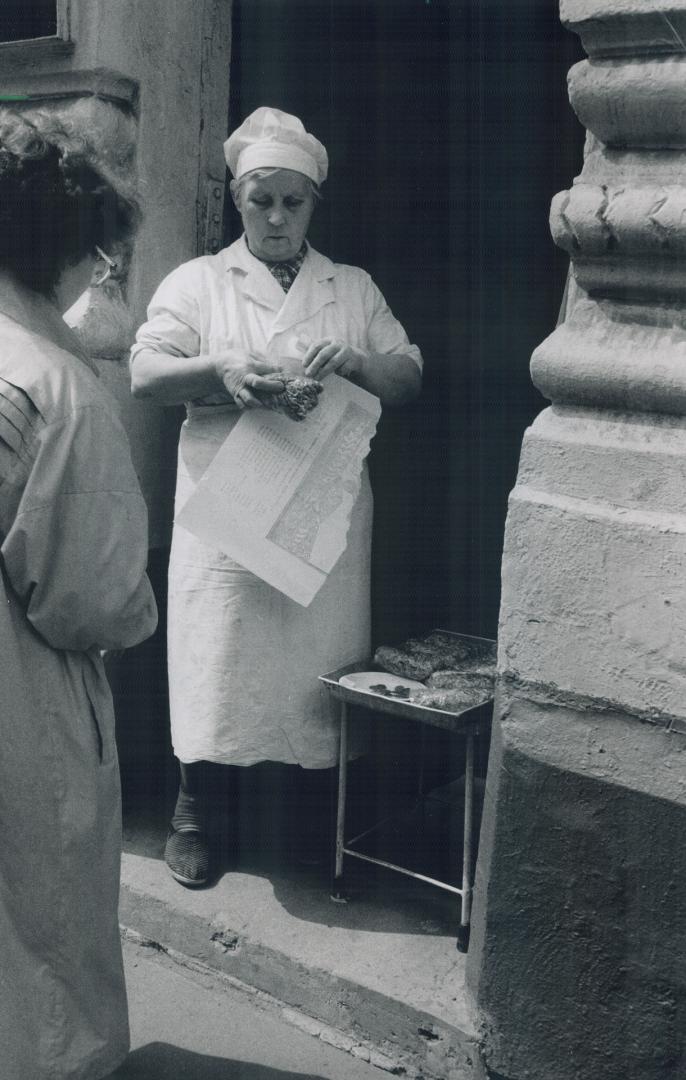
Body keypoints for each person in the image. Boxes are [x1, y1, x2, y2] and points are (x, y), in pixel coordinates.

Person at [130, 106, 421, 888]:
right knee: (217, 651)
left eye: (293, 201)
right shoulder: (199, 282)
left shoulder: (350, 288)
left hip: (319, 502)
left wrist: (357, 361)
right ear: (237, 200)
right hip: (229, 499)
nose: (277, 216)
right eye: (261, 199)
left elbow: (410, 374)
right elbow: (146, 373)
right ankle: (194, 810)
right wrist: (222, 370)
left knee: (312, 654)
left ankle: (302, 815)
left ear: (314, 205)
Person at [0, 111, 157, 1079]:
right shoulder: (60, 387)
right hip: (23, 692)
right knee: (44, 919)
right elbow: (95, 601)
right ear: (73, 251)